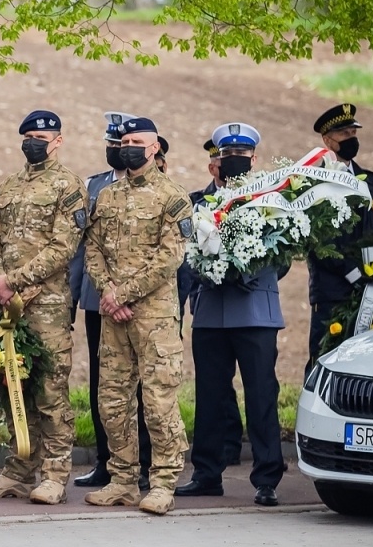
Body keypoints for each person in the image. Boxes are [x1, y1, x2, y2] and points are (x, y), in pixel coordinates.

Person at [0, 110, 86, 504]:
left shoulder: (68, 186)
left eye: (41, 136)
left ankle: (54, 475)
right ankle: (18, 471)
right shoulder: (9, 186)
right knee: (13, 385)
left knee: (50, 391)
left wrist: (14, 280)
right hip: (8, 305)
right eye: (28, 136)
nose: (33, 142)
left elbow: (63, 247)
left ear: (57, 140)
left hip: (47, 307)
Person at [82, 116, 190, 516]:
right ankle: (123, 479)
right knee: (111, 400)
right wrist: (107, 293)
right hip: (114, 316)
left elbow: (170, 257)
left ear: (155, 148)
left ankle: (163, 481)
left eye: (136, 141)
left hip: (155, 318)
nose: (127, 146)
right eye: (123, 140)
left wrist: (121, 293)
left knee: (158, 401)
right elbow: (91, 248)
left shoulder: (173, 196)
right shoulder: (107, 196)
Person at [177, 123, 286, 506]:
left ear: (254, 160)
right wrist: (211, 269)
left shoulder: (273, 199)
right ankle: (207, 473)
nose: (235, 162)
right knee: (209, 396)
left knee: (261, 395)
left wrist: (246, 268)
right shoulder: (198, 203)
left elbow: (284, 256)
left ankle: (267, 478)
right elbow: (186, 255)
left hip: (255, 310)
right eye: (228, 157)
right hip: (210, 312)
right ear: (216, 162)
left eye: (242, 156)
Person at [70, 112, 153, 490]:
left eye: (121, 144)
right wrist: (73, 299)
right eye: (111, 144)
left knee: (143, 383)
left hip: (142, 302)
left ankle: (146, 463)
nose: (115, 150)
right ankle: (106, 461)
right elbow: (80, 249)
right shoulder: (94, 186)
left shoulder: (156, 189)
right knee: (103, 383)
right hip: (97, 299)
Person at [305, 102, 373, 372]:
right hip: (333, 290)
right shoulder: (313, 182)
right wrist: (353, 272)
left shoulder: (370, 181)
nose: (351, 139)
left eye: (354, 134)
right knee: (326, 360)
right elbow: (317, 240)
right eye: (345, 135)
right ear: (327, 140)